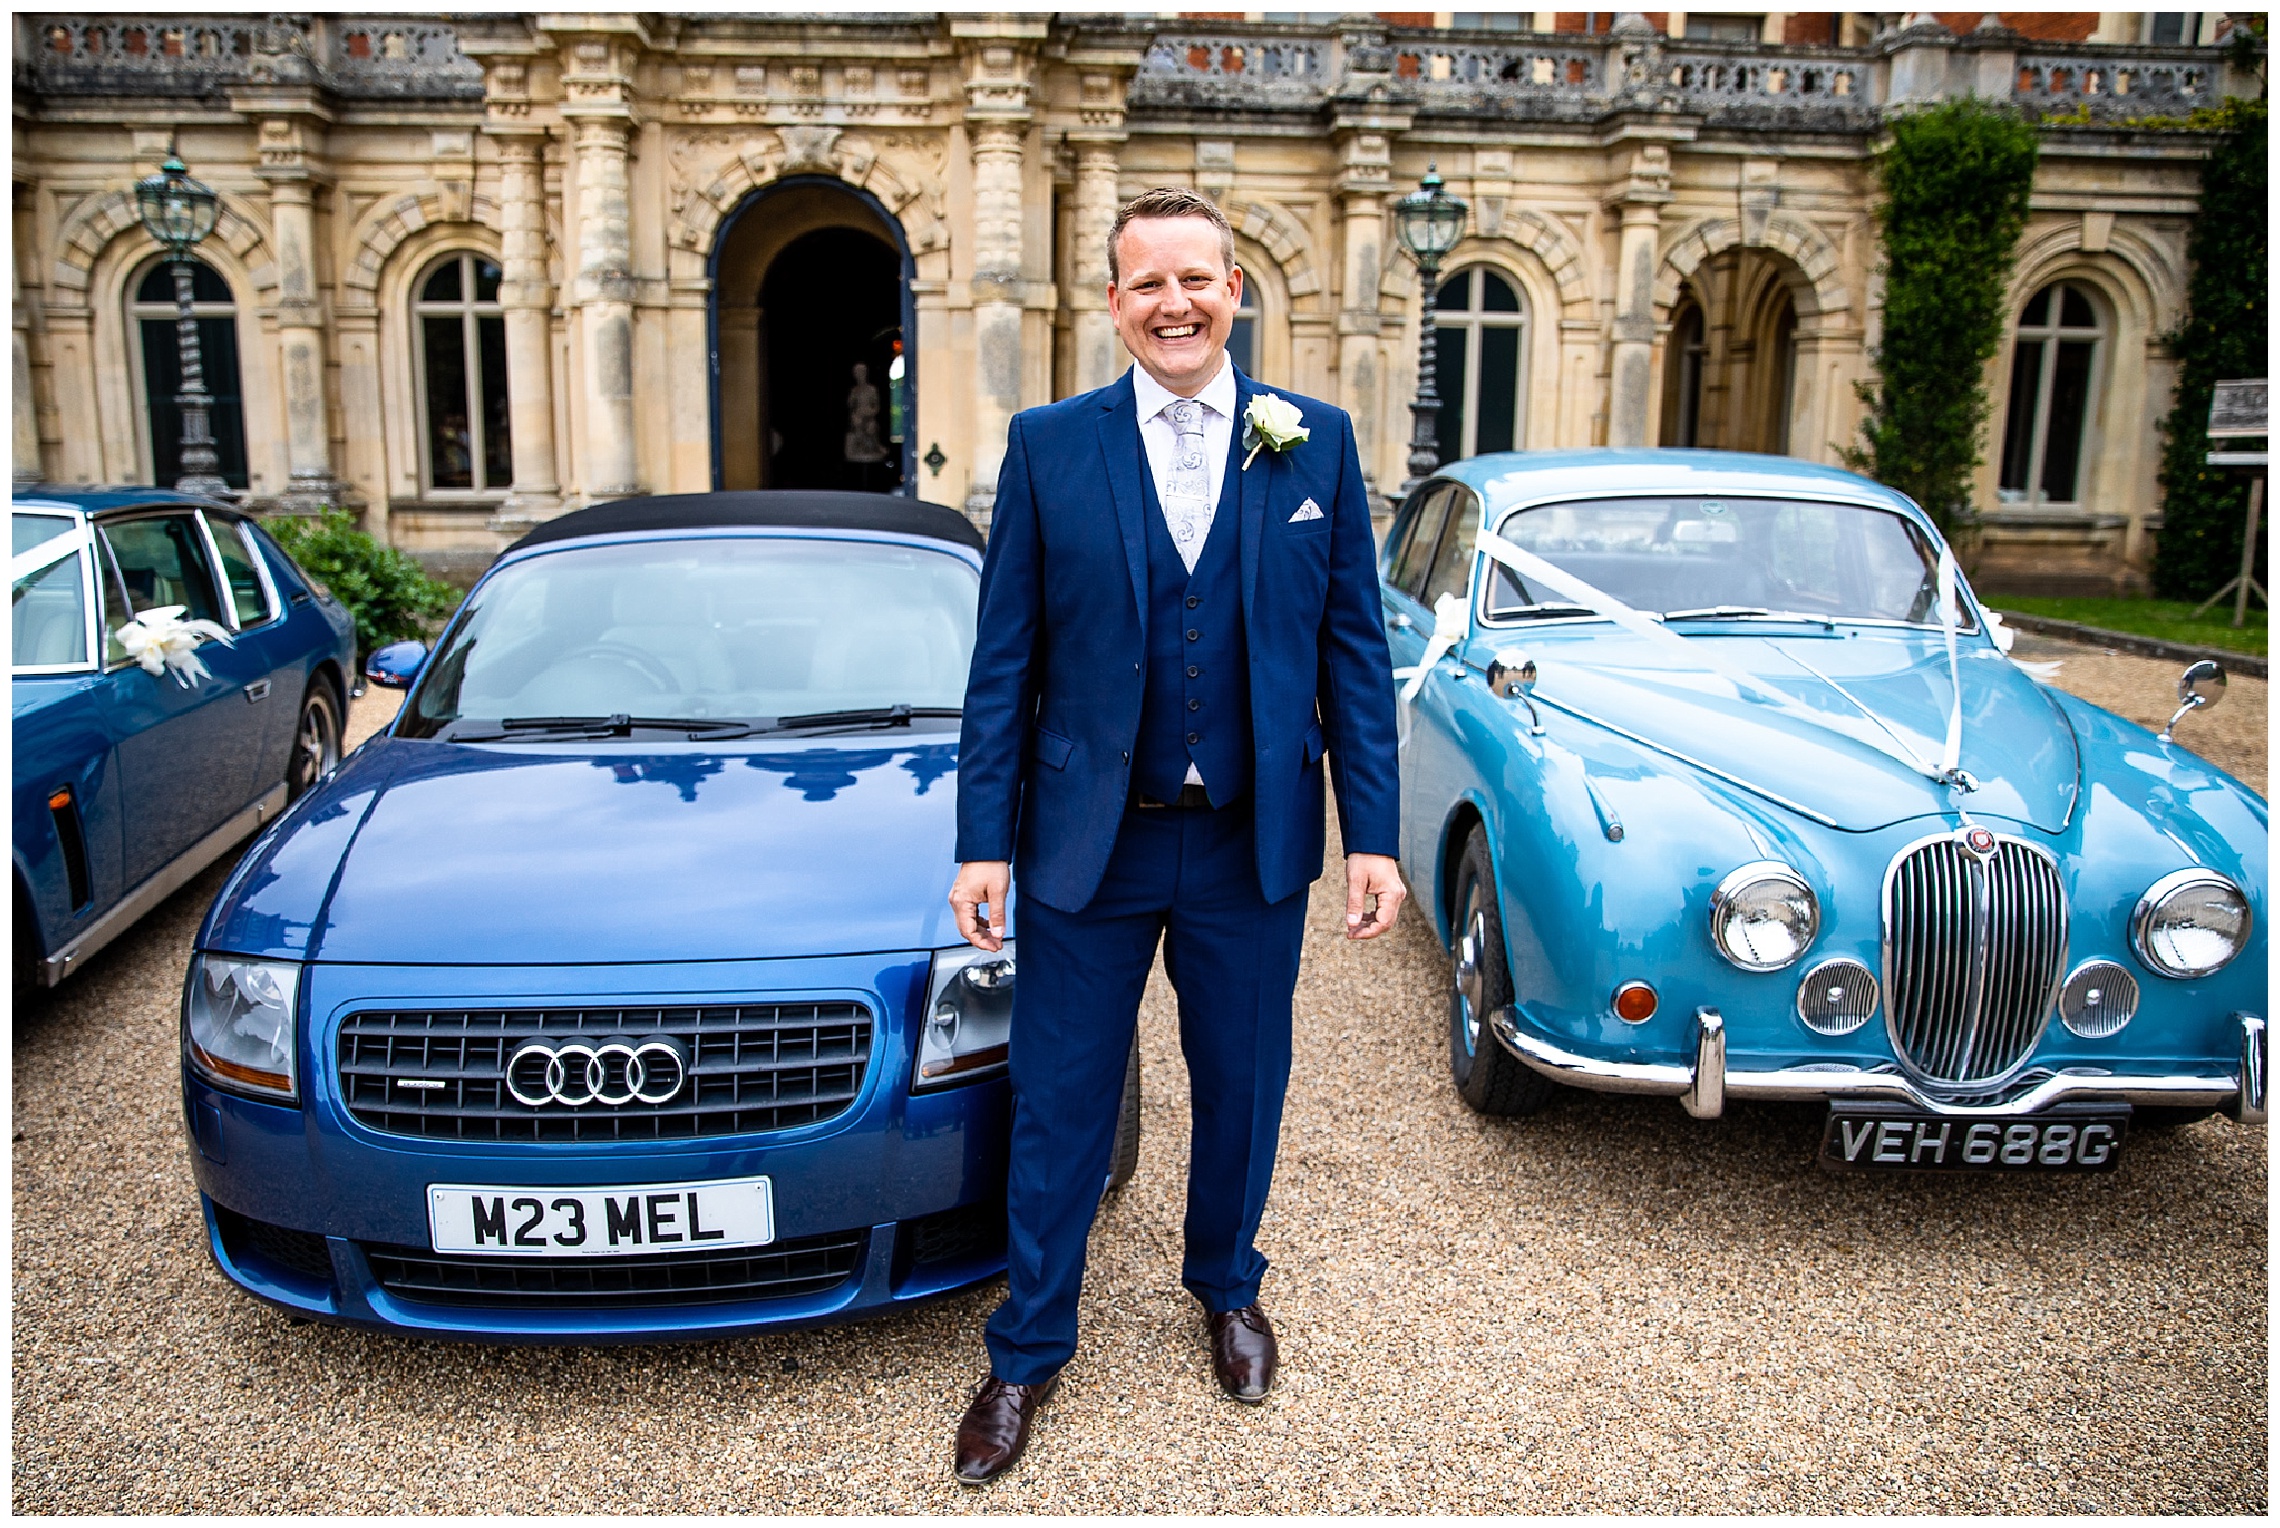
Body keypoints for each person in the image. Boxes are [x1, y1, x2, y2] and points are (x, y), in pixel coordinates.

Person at [946, 187, 1405, 1484]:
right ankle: (1026, 1351)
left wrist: (1370, 831)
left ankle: (1226, 1283)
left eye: (1197, 279)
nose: (1176, 304)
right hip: (1089, 844)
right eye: (1148, 283)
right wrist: (985, 840)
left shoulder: (1312, 443)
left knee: (1243, 1087)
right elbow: (1004, 667)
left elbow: (1352, 652)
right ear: (1113, 304)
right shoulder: (1048, 447)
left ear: (1236, 290)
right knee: (1062, 1104)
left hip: (1251, 842)